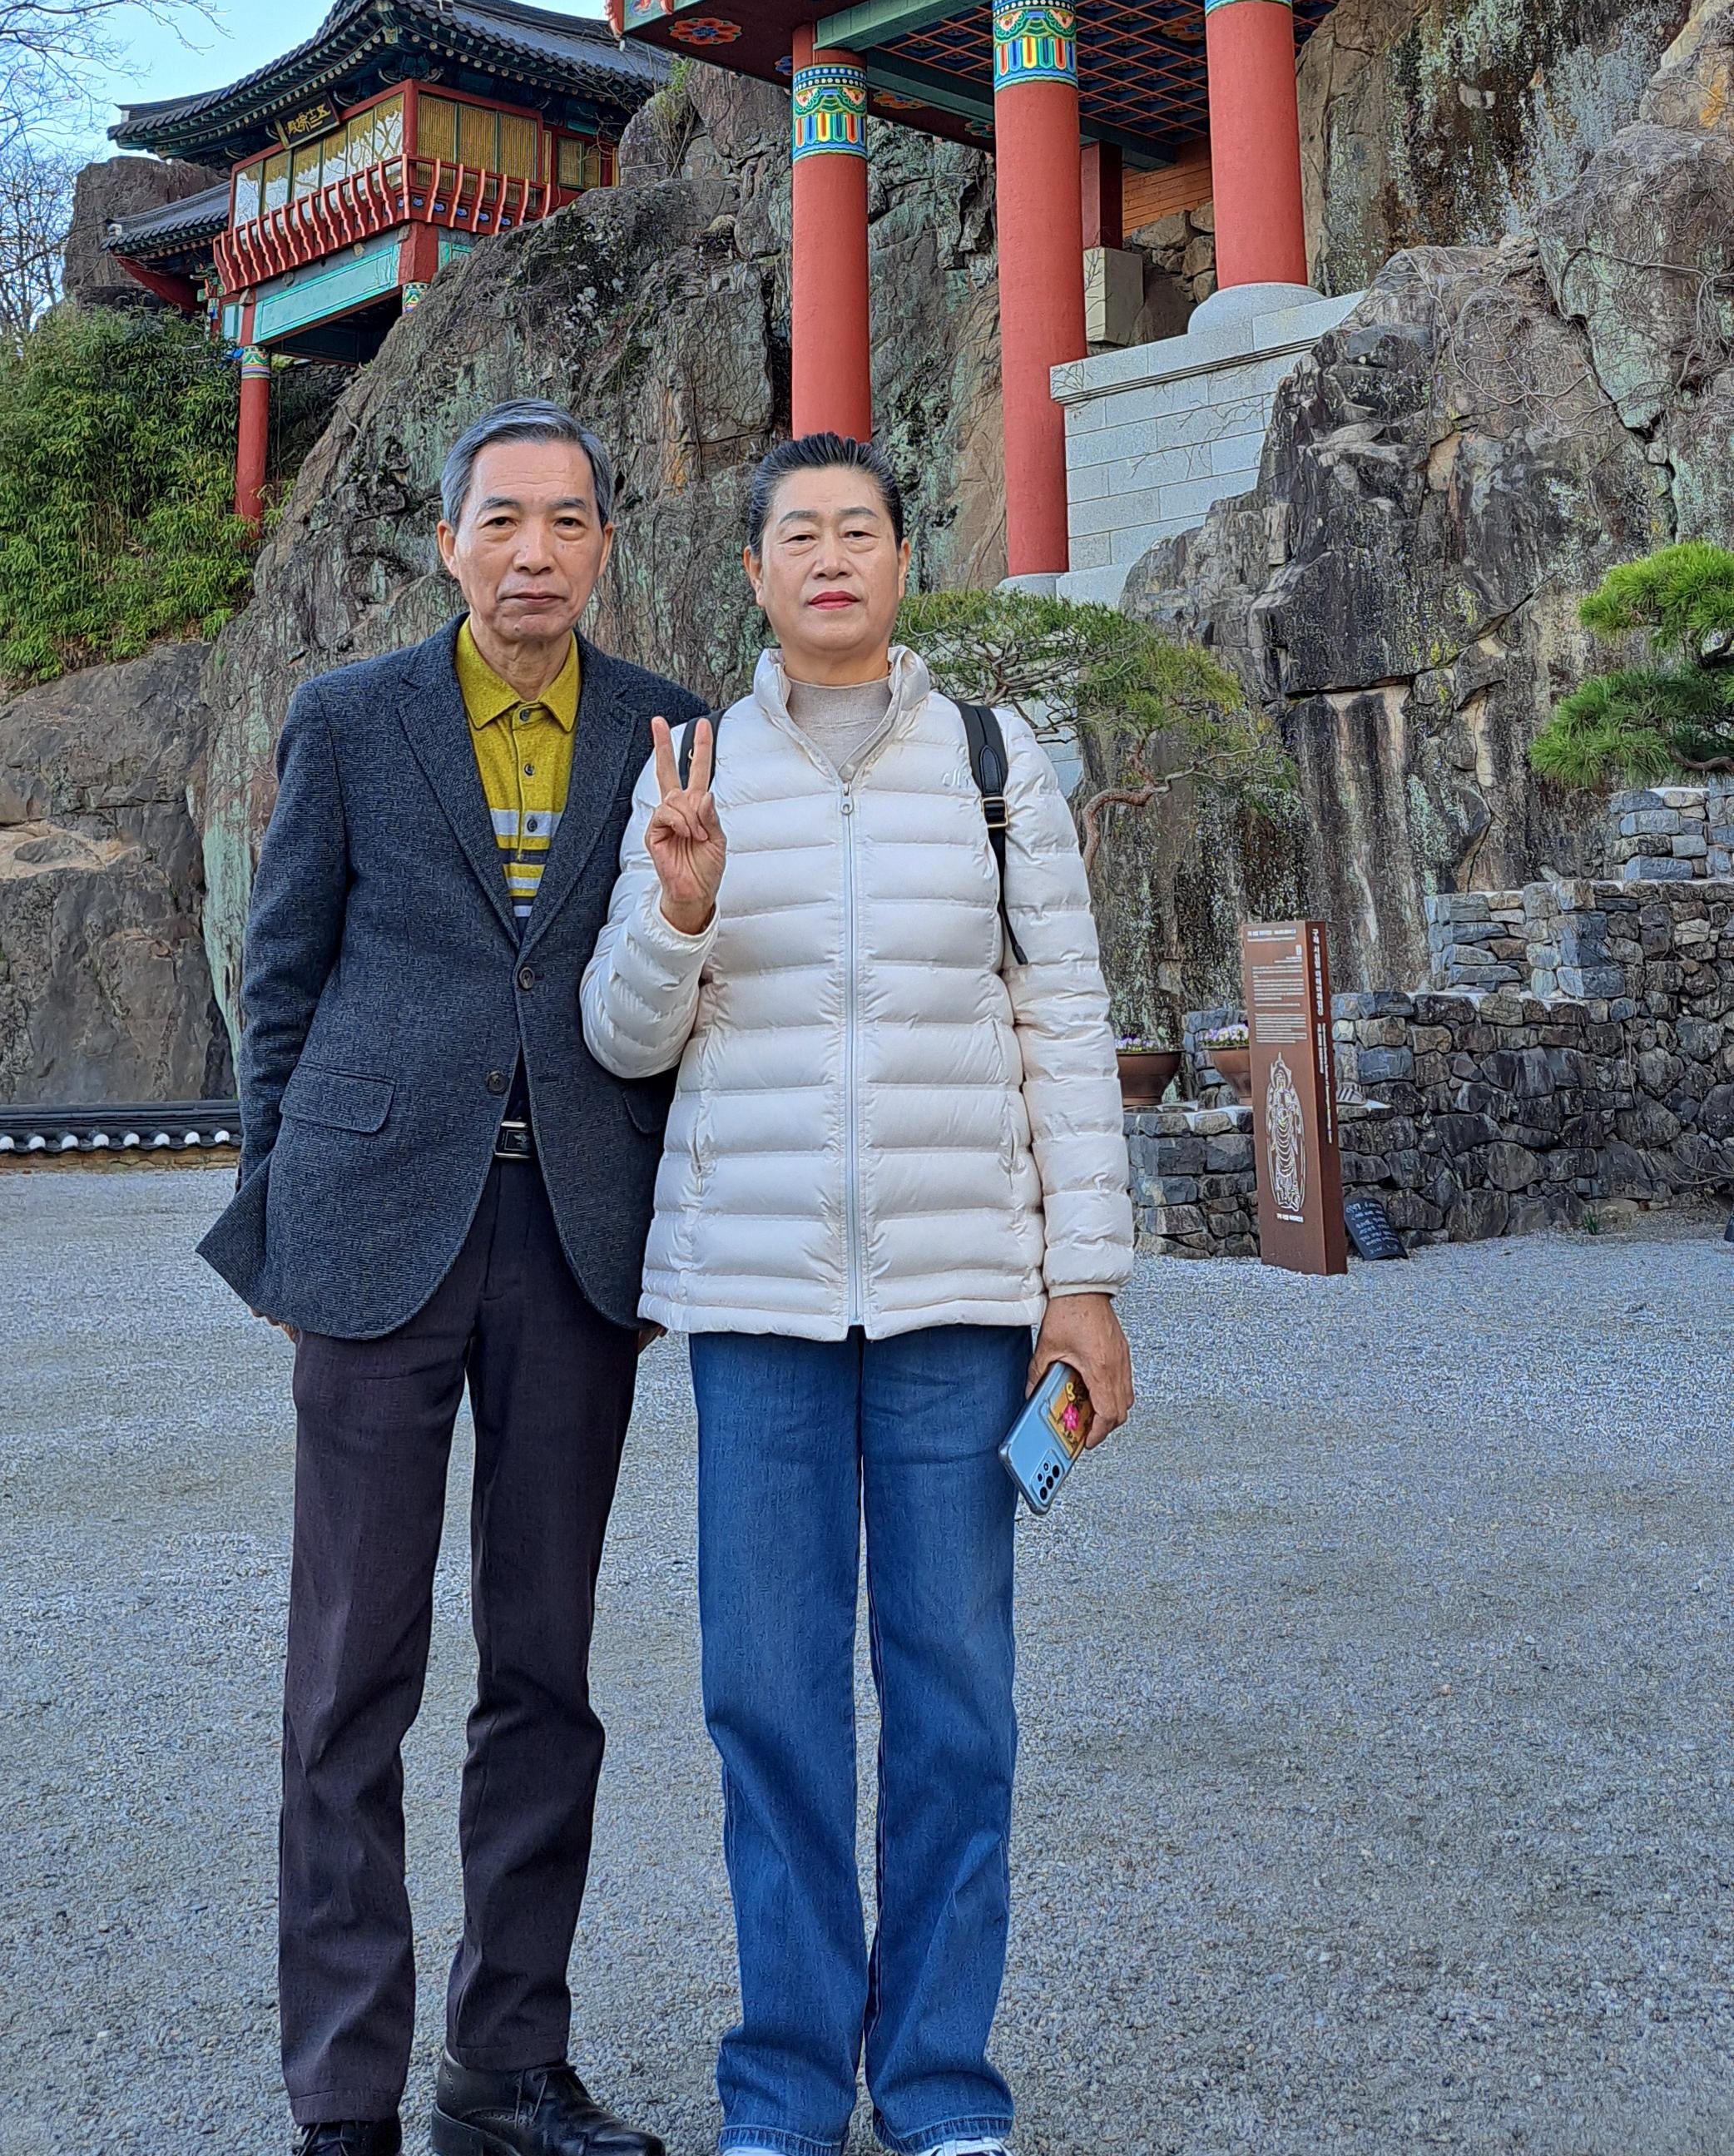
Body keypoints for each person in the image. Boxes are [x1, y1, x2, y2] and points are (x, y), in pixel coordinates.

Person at [581, 429, 1134, 2156]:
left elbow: (1064, 1022)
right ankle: (787, 2078)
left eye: (860, 529)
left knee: (956, 1696)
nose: (830, 556)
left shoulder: (993, 758)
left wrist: (1086, 1281)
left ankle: (943, 2078)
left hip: (960, 1298)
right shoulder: (691, 763)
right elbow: (620, 1034)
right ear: (752, 571)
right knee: (768, 1695)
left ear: (905, 560)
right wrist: (678, 910)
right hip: (756, 1306)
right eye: (798, 534)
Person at [201, 397, 705, 2156]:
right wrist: (276, 1207)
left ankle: (506, 2062)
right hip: (372, 1224)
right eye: (503, 520)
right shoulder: (350, 718)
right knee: (352, 1665)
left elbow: (690, 973)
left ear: (606, 544)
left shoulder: (668, 729)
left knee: (544, 1663)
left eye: (567, 521)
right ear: (447, 542)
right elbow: (279, 976)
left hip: (575, 1228)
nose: (533, 554)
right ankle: (343, 2095)